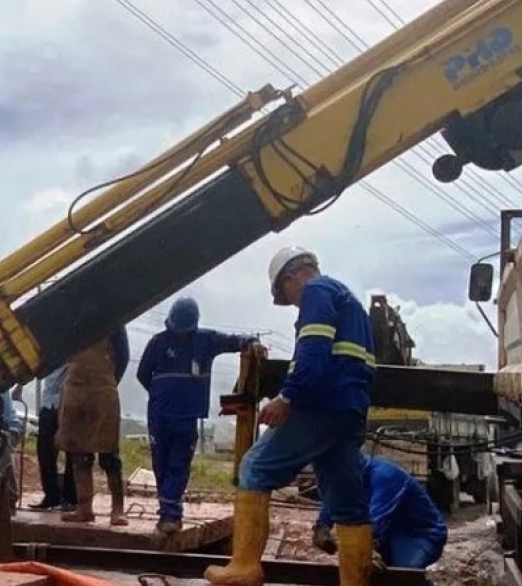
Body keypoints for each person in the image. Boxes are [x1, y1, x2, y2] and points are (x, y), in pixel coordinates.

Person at [205, 246, 376, 586]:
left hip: (320, 406)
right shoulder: (350, 302)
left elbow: (313, 355)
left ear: (293, 276)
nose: (293, 303)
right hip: (349, 411)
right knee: (347, 503)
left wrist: (287, 398)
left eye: (286, 295)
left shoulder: (317, 291)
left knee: (254, 467)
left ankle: (244, 567)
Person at [137, 296, 261, 534]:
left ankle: (171, 515)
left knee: (178, 464)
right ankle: (167, 511)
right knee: (160, 464)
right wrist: (162, 395)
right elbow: (143, 374)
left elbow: (232, 341)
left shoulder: (205, 341)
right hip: (160, 416)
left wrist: (251, 342)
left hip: (186, 416)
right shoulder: (158, 342)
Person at [312, 455, 446, 576]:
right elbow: (335, 497)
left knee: (401, 576)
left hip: (419, 534)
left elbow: (377, 520)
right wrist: (322, 526)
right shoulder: (348, 477)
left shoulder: (385, 476)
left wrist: (366, 550)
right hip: (388, 535)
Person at [57, 326, 131, 526]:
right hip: (75, 388)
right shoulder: (71, 321)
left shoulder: (114, 320)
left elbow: (123, 356)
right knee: (78, 453)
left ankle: (117, 509)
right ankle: (84, 507)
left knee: (109, 455)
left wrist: (108, 382)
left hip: (103, 388)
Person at [23, 364, 77, 511]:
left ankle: (71, 497)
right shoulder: (52, 350)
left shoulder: (73, 347)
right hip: (48, 402)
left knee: (71, 449)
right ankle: (52, 495)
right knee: (44, 450)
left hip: (68, 400)